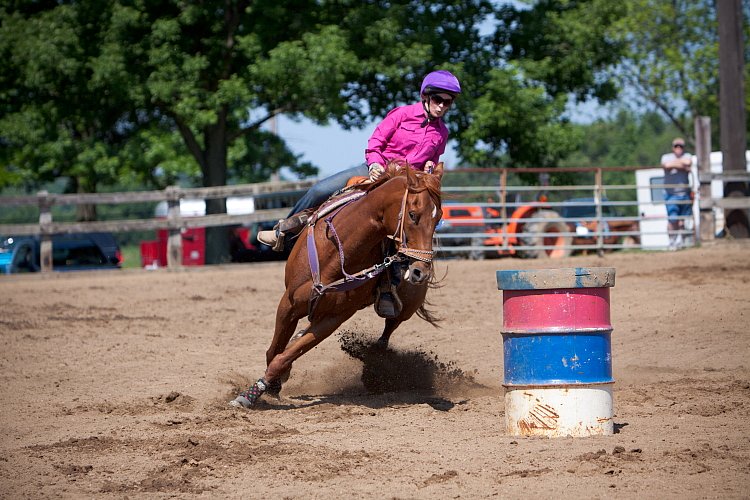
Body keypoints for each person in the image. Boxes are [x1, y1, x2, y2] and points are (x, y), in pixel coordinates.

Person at [257, 69, 461, 318]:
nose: (442, 106)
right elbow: (376, 142)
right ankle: (284, 230)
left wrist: (428, 169)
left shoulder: (442, 133)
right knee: (320, 189)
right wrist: (375, 164)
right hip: (375, 170)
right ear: (425, 96)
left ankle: (387, 286)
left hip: (404, 187)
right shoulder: (402, 115)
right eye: (438, 99)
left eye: (447, 101)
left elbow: (432, 161)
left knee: (402, 234)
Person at [660, 137, 693, 250]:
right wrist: (682, 166)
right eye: (676, 146)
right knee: (672, 219)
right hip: (671, 194)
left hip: (685, 193)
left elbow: (688, 162)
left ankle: (681, 242)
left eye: (681, 146)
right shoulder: (666, 157)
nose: (678, 148)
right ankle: (672, 241)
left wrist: (674, 164)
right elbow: (666, 165)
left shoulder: (687, 156)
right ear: (673, 148)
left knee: (682, 220)